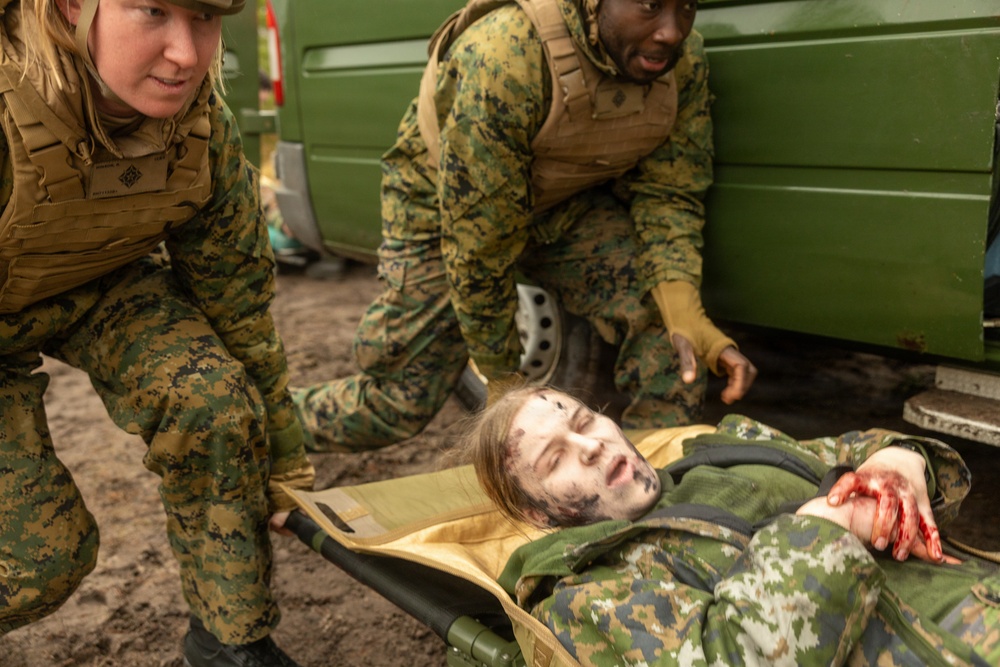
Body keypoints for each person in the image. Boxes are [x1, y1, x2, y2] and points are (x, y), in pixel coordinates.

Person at [295, 0, 757, 452]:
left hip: (562, 202)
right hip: (446, 209)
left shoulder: (680, 60)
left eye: (687, 7)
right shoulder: (506, 54)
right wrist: (503, 382)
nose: (672, 31)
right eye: (651, 5)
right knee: (397, 401)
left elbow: (669, 190)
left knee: (667, 327)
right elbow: (481, 246)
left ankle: (646, 484)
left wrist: (683, 307)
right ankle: (258, 428)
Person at [0, 0, 314, 665]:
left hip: (96, 283)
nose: (187, 53)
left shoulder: (201, 128)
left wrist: (284, 458)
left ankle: (230, 642)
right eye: (153, 11)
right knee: (39, 559)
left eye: (205, 18)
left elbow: (238, 304)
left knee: (216, 403)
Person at [466, 385, 1000, 666]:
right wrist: (826, 527)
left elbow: (854, 449)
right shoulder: (585, 595)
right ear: (540, 514)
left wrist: (897, 461)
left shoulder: (728, 445)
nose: (590, 445)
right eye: (554, 459)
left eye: (583, 422)